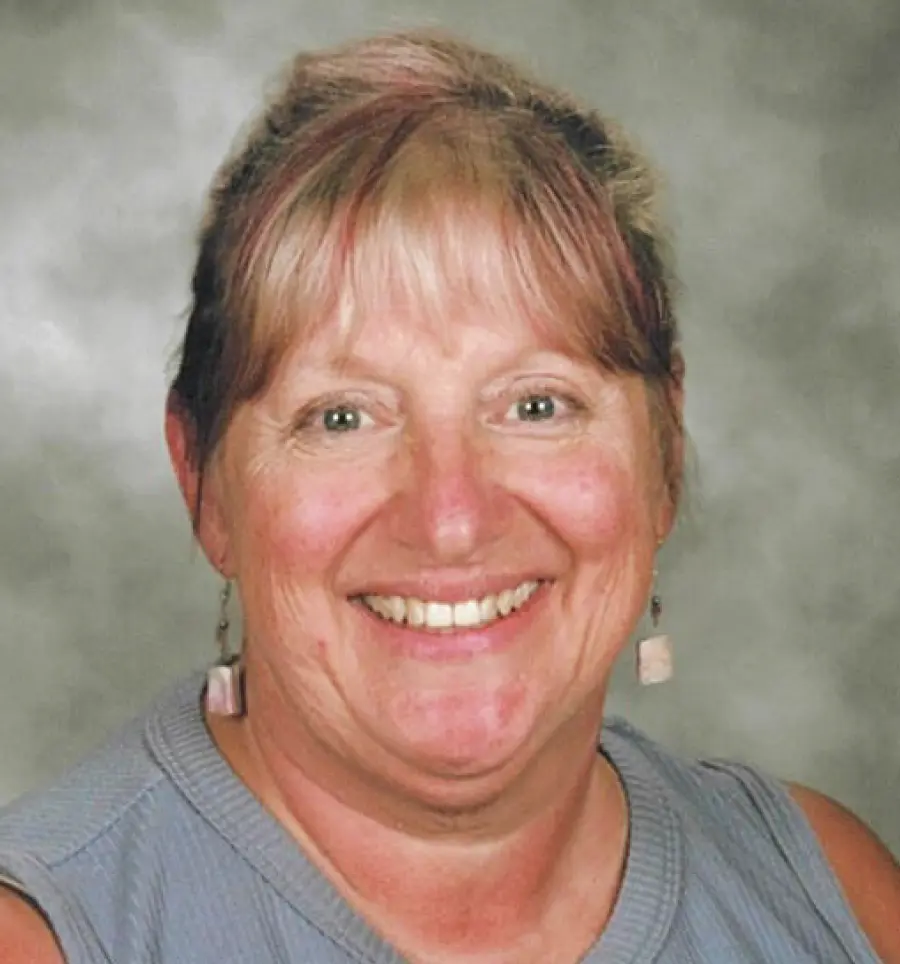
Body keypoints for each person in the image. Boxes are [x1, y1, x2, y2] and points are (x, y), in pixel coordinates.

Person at [1, 28, 898, 964]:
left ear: (664, 452)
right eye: (341, 418)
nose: (451, 518)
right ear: (205, 487)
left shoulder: (831, 892)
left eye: (537, 404)